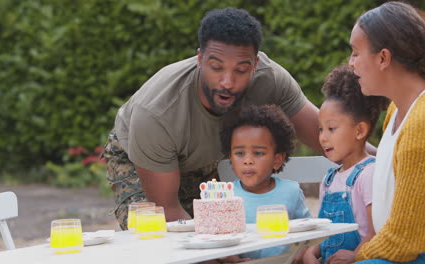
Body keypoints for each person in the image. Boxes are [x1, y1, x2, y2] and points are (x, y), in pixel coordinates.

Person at [102, 7, 322, 229]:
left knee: (226, 228)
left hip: (205, 156)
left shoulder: (271, 80)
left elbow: (329, 138)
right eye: (216, 67)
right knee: (154, 236)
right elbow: (167, 210)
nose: (227, 81)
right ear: (200, 59)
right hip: (139, 156)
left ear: (255, 65)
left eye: (240, 70)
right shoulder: (157, 112)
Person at [347, 2, 425, 264]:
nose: (350, 64)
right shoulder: (399, 108)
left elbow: (405, 241)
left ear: (383, 58)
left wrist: (357, 256)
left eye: (355, 53)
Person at [300, 65, 389, 264]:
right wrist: (311, 252)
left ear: (359, 131)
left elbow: (377, 232)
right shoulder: (329, 180)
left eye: (331, 129)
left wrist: (355, 255)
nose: (322, 138)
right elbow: (325, 230)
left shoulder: (369, 174)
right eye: (320, 129)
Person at [220, 104, 312, 259]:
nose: (248, 161)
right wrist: (231, 258)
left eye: (258, 153)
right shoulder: (225, 196)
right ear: (230, 157)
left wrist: (301, 253)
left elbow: (309, 233)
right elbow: (217, 239)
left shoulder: (291, 191)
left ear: (277, 160)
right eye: (240, 153)